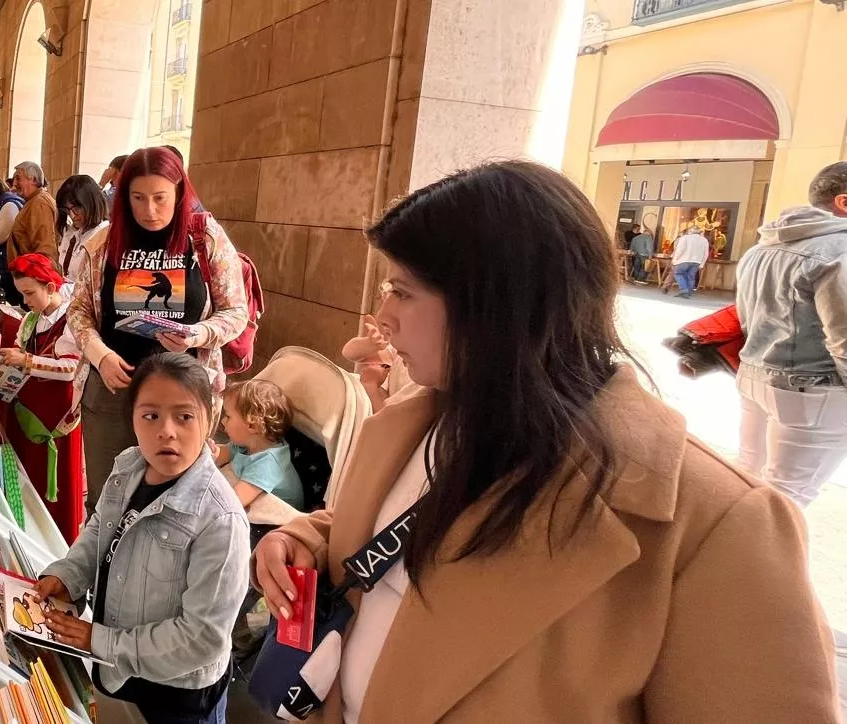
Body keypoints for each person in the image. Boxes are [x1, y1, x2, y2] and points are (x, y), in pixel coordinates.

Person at [251, 161, 836, 723]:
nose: (382, 316)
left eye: (403, 293)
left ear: (500, 304)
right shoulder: (416, 417)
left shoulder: (719, 526)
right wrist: (308, 536)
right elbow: (387, 530)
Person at [35, 353, 249, 724]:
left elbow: (202, 638)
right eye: (150, 415)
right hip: (119, 675)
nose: (167, 431)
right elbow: (98, 532)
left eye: (184, 416)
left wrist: (100, 641)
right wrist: (68, 575)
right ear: (132, 419)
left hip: (175, 699)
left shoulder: (221, 519)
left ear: (210, 419)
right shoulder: (129, 468)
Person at [68, 146, 248, 513]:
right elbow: (79, 312)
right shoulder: (103, 244)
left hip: (183, 391)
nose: (150, 210)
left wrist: (197, 335)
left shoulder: (204, 239)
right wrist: (101, 357)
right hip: (112, 388)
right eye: (138, 198)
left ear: (180, 193)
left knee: (175, 502)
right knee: (108, 503)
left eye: (160, 197)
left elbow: (235, 311)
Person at [736, 161, 847, 507]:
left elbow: (745, 317)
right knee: (784, 504)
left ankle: (715, 556)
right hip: (812, 390)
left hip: (754, 375)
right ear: (843, 202)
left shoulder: (761, 248)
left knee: (744, 480)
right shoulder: (838, 250)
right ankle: (746, 561)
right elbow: (843, 332)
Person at [0, 253, 86, 542]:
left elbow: (72, 367)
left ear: (50, 287)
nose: (25, 301)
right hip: (28, 412)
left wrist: (27, 361)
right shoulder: (31, 319)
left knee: (56, 494)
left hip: (57, 419)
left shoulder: (73, 320)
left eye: (29, 293)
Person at [211, 380, 304, 511]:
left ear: (252, 425)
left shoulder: (268, 464)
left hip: (275, 522)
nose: (223, 421)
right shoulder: (245, 443)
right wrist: (209, 452)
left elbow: (231, 504)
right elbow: (220, 454)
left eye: (228, 416)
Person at [55, 174, 110, 283]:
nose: (72, 215)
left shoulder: (105, 236)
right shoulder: (70, 232)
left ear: (91, 203)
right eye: (66, 209)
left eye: (77, 208)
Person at [668, 226, 709, 298]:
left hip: (684, 260)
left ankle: (684, 291)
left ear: (690, 231)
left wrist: (675, 259)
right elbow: (706, 253)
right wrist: (702, 263)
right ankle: (689, 292)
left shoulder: (685, 238)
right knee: (691, 277)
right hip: (697, 261)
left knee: (678, 273)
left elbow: (680, 250)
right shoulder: (704, 240)